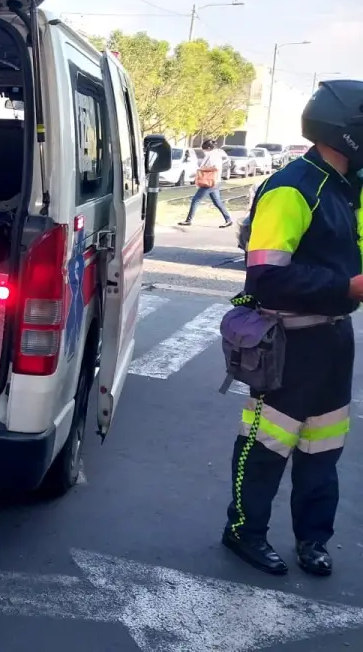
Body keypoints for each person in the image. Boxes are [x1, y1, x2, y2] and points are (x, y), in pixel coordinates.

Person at [223, 79, 363, 577]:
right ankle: (243, 530)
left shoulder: (349, 190)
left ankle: (313, 539)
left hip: (334, 339)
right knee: (265, 444)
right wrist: (346, 287)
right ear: (346, 131)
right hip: (286, 340)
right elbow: (266, 277)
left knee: (324, 446)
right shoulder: (292, 188)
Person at [179, 140, 233, 227]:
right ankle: (228, 220)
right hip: (215, 181)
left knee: (196, 200)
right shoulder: (213, 154)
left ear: (208, 148)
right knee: (217, 202)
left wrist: (201, 169)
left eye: (204, 149)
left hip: (210, 182)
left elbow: (214, 168)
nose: (203, 151)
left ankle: (188, 220)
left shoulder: (213, 156)